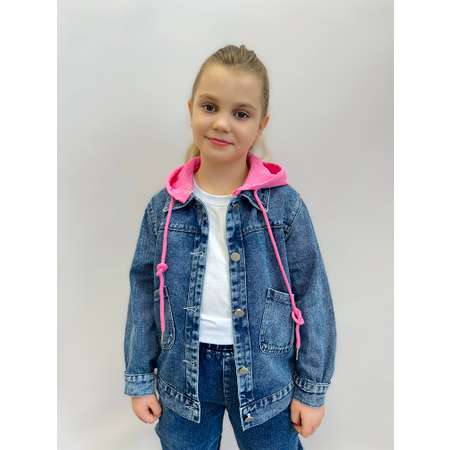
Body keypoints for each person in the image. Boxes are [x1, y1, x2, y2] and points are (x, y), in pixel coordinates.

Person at [123, 44, 337, 450]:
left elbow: (313, 294)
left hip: (267, 378)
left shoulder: (284, 206)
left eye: (241, 114)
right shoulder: (163, 208)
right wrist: (139, 377)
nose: (222, 123)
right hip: (182, 379)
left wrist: (312, 389)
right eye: (209, 107)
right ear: (190, 110)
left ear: (261, 125)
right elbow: (143, 295)